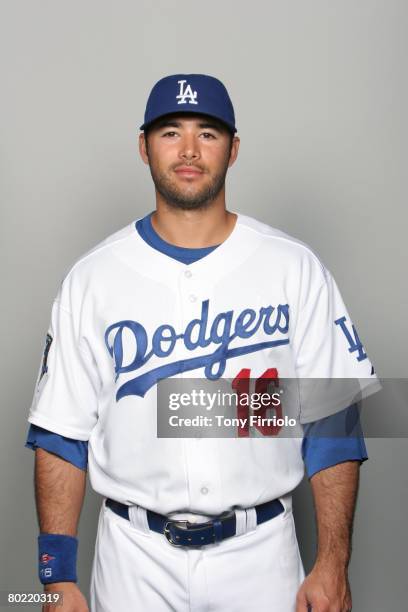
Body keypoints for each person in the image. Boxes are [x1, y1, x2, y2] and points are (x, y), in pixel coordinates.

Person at [25, 74, 380, 612]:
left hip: (260, 557)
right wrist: (56, 575)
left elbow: (332, 424)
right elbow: (61, 434)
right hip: (133, 559)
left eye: (208, 133)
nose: (189, 149)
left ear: (233, 149)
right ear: (143, 146)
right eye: (170, 132)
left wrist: (332, 563)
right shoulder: (92, 278)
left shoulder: (293, 268)